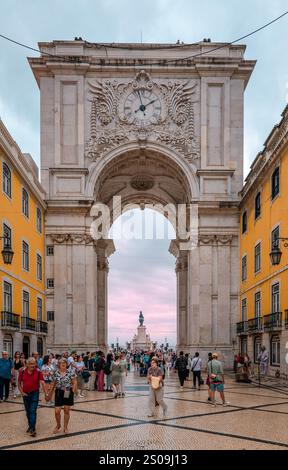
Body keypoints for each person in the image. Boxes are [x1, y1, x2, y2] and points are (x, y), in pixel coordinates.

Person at [18, 357, 45, 436]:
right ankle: (30, 426)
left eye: (34, 364)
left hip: (35, 393)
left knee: (33, 411)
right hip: (25, 394)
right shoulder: (22, 371)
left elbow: (42, 381)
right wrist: (22, 392)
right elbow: (19, 383)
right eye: (31, 364)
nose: (33, 365)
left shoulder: (38, 371)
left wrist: (45, 386)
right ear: (27, 364)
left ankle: (32, 429)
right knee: (28, 411)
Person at [49, 358, 77, 434]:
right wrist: (49, 394)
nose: (63, 363)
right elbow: (53, 383)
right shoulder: (56, 372)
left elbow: (74, 382)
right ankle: (58, 425)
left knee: (66, 410)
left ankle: (65, 427)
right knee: (57, 411)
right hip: (58, 391)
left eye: (64, 362)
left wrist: (73, 391)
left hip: (67, 390)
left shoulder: (70, 372)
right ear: (59, 365)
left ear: (67, 364)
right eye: (61, 362)